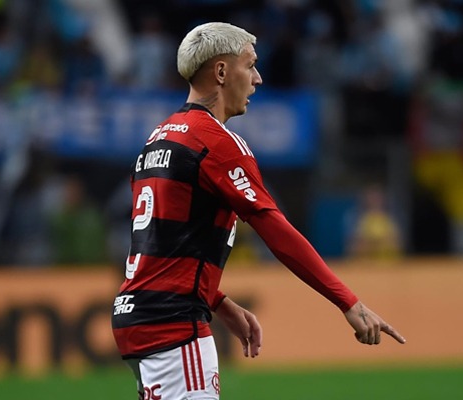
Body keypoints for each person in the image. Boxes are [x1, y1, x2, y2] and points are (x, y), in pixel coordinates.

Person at [111, 22, 406, 400]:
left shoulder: (158, 138)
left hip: (141, 315)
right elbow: (275, 229)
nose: (258, 78)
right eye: (249, 65)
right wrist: (347, 301)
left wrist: (217, 300)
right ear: (221, 72)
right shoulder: (217, 143)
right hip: (173, 322)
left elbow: (162, 245)